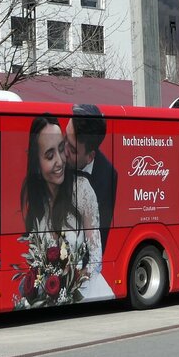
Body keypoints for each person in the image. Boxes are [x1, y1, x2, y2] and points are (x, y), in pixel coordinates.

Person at [19, 115, 112, 304]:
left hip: (88, 293)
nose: (60, 161)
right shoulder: (36, 204)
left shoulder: (83, 190)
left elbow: (96, 259)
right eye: (49, 155)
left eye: (61, 149)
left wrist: (71, 285)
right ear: (36, 162)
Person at [64, 103, 116, 250]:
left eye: (72, 149)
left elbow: (99, 240)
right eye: (65, 137)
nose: (64, 150)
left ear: (90, 157)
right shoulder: (53, 156)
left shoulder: (107, 176)